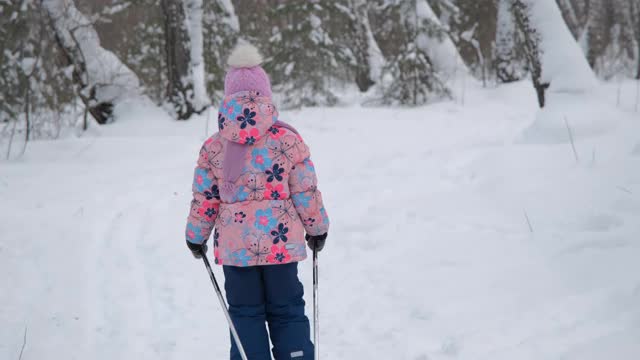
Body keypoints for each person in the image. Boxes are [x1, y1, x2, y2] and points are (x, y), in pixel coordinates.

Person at [184, 42, 330, 360]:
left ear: (228, 100)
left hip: (238, 254)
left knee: (245, 312)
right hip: (281, 249)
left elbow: (205, 199)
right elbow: (305, 190)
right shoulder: (287, 140)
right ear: (265, 97)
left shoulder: (214, 147)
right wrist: (317, 227)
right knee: (287, 308)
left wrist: (195, 237)